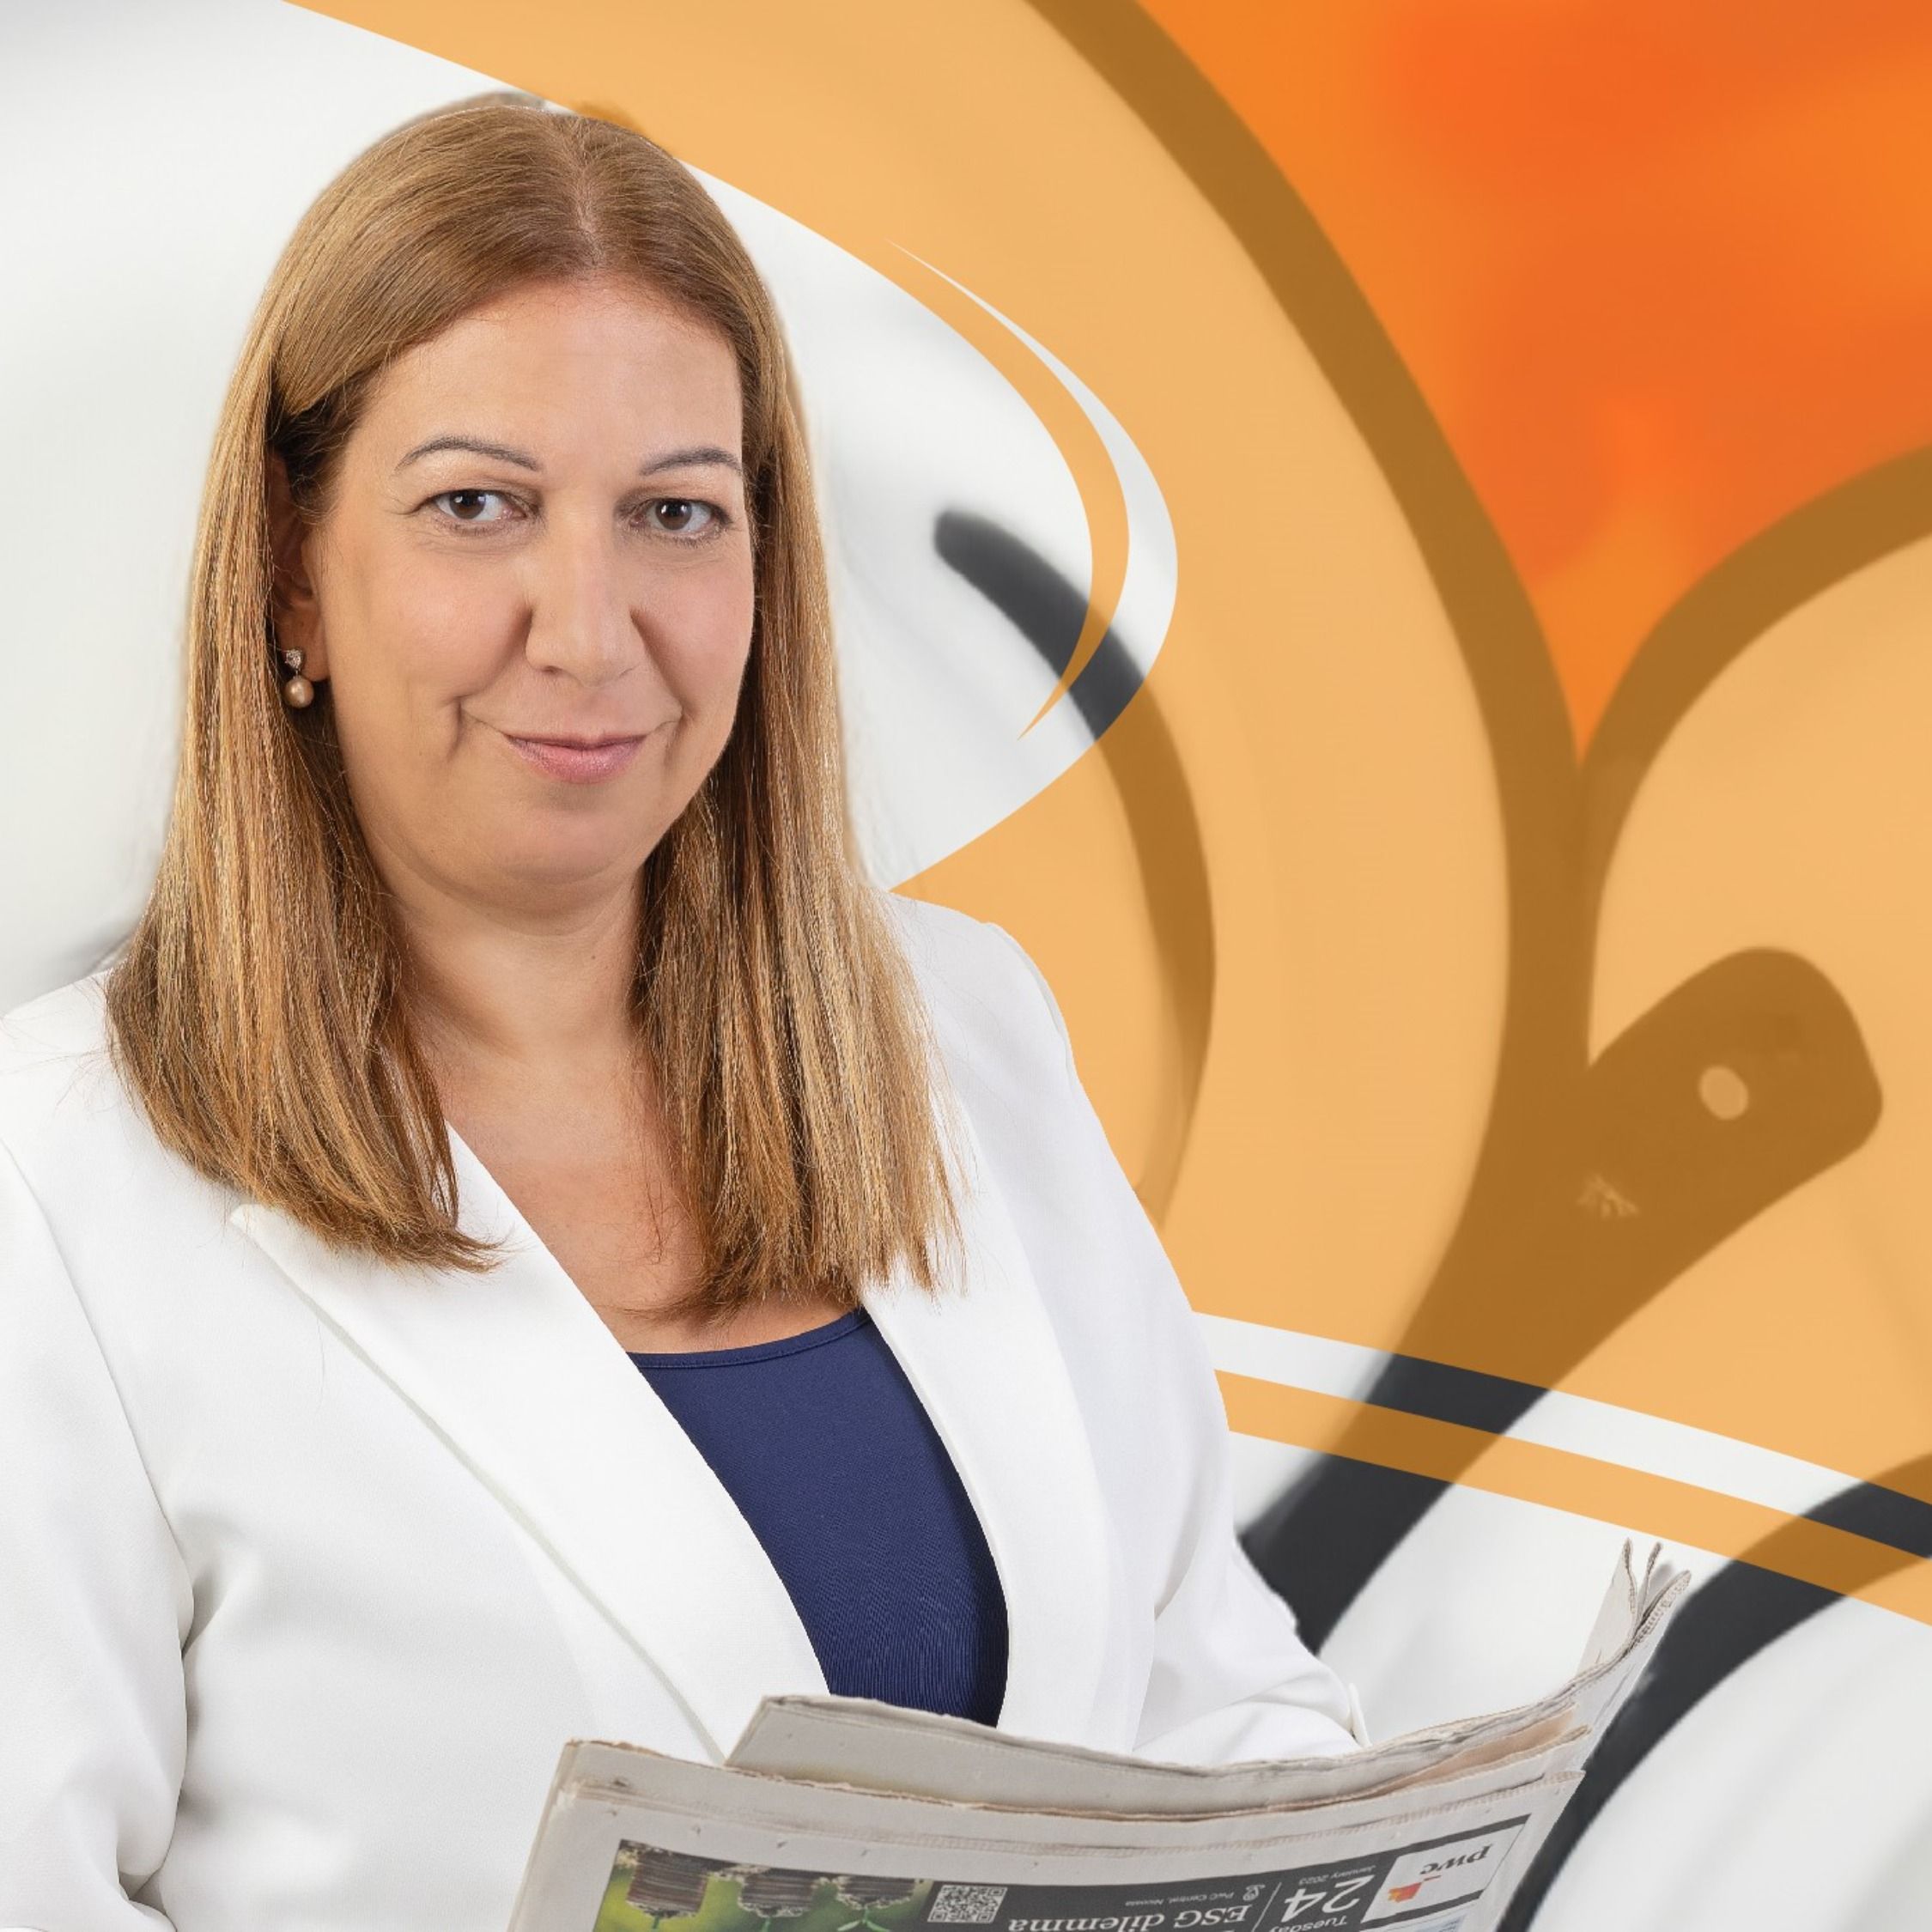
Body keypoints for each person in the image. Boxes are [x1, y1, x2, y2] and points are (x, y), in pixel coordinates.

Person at [0, 94, 1362, 1932]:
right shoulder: (54, 1183)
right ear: (290, 576)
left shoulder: (965, 1030)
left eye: (674, 514)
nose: (589, 628)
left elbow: (1215, 1707)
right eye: (476, 506)